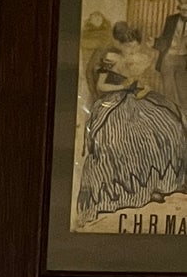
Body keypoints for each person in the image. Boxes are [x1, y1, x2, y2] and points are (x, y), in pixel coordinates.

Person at [77, 22, 187, 222]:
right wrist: (125, 86)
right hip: (113, 101)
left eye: (135, 46)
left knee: (165, 124)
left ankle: (159, 181)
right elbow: (102, 85)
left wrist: (137, 87)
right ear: (120, 43)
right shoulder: (111, 57)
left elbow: (137, 79)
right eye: (129, 46)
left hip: (133, 97)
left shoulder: (139, 57)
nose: (132, 50)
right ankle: (131, 187)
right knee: (128, 135)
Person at [155, 0, 187, 120]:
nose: (184, 7)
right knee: (169, 94)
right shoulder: (171, 20)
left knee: (183, 94)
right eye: (182, 3)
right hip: (168, 59)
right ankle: (171, 120)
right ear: (178, 3)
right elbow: (164, 42)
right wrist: (154, 43)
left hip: (184, 61)